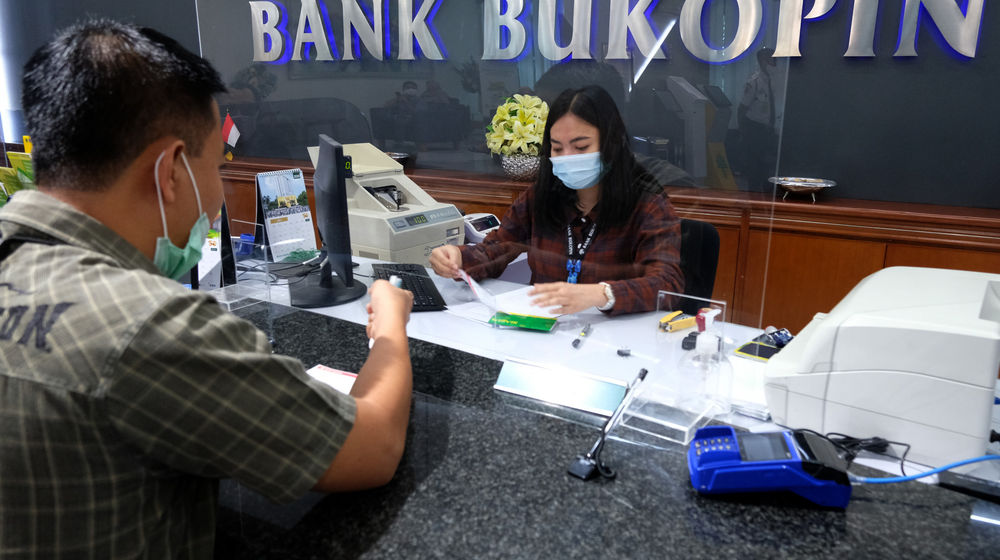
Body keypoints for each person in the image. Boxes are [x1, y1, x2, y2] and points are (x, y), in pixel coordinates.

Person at [0, 20, 413, 557]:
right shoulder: (151, 324)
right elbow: (371, 447)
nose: (216, 190)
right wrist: (390, 331)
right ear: (172, 170)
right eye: (216, 167)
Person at [429, 85, 684, 316]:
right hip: (542, 333)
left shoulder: (647, 205)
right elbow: (497, 249)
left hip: (613, 340)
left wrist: (601, 294)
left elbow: (667, 283)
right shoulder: (540, 197)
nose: (567, 157)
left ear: (611, 145)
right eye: (557, 148)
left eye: (581, 147)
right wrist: (458, 258)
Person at [738, 47, 779, 190]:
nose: (774, 62)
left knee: (768, 169)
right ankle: (754, 203)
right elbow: (742, 109)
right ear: (762, 61)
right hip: (754, 129)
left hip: (767, 130)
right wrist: (743, 133)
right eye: (770, 59)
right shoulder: (754, 82)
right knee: (755, 170)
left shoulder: (773, 81)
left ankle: (767, 202)